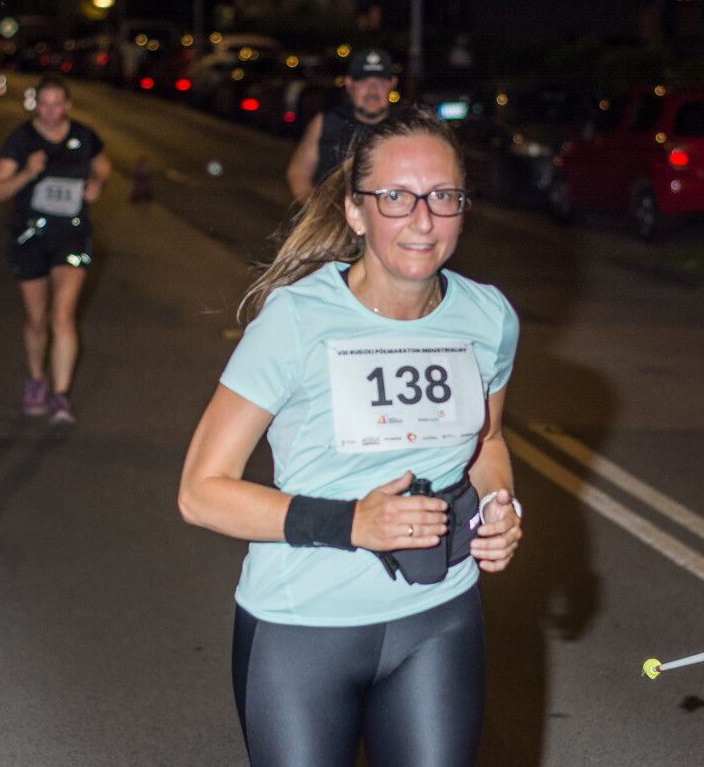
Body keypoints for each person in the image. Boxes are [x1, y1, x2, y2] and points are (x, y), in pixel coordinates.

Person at [179, 107, 523, 766]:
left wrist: (500, 504)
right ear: (356, 212)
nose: (423, 220)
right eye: (396, 197)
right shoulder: (296, 320)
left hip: (439, 617)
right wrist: (353, 523)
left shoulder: (488, 317)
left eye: (443, 196)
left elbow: (488, 441)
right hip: (301, 626)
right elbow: (200, 492)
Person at [0, 77, 110, 425]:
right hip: (30, 238)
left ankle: (60, 396)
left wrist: (97, 184)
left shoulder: (84, 136)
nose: (51, 112)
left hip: (71, 237)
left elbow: (103, 165)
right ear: (35, 105)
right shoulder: (21, 139)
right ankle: (37, 379)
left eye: (57, 105)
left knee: (62, 315)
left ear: (67, 105)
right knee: (37, 320)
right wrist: (27, 173)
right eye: (44, 105)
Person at [285, 47, 398, 203]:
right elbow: (299, 172)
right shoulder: (327, 123)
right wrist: (317, 209)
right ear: (349, 84)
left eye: (380, 82)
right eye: (364, 82)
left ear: (393, 84)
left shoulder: (407, 126)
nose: (372, 90)